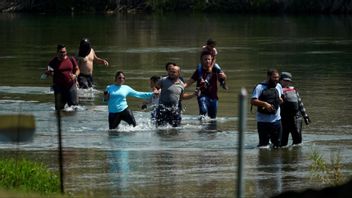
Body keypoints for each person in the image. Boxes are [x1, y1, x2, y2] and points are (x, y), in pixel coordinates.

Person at [184, 51, 227, 120]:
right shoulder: (198, 71)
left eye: (209, 59)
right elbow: (189, 82)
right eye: (205, 59)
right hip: (202, 95)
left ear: (211, 60)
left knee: (213, 117)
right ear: (201, 60)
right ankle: (202, 128)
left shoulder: (215, 69)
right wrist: (179, 87)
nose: (207, 61)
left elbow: (224, 77)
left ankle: (211, 130)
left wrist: (223, 76)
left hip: (214, 96)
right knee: (203, 111)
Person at [251, 69, 283, 148]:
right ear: (268, 77)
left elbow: (281, 99)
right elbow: (253, 101)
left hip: (277, 121)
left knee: (277, 145)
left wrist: (280, 100)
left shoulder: (279, 86)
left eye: (278, 77)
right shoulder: (260, 87)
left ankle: (275, 159)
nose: (276, 79)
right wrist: (265, 104)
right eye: (274, 77)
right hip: (263, 122)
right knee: (263, 147)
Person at [43, 44, 80, 110]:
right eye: (61, 52)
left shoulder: (71, 59)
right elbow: (46, 74)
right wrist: (47, 73)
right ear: (57, 52)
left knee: (74, 108)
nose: (63, 53)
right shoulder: (53, 62)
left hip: (71, 86)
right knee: (59, 109)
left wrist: (75, 75)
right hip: (59, 88)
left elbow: (77, 69)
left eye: (64, 52)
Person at [279, 72, 311, 147]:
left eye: (288, 81)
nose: (287, 82)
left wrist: (305, 116)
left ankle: (296, 157)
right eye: (285, 80)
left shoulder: (293, 90)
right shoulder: (276, 90)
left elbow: (300, 104)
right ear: (280, 80)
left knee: (297, 143)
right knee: (282, 143)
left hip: (296, 117)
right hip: (283, 118)